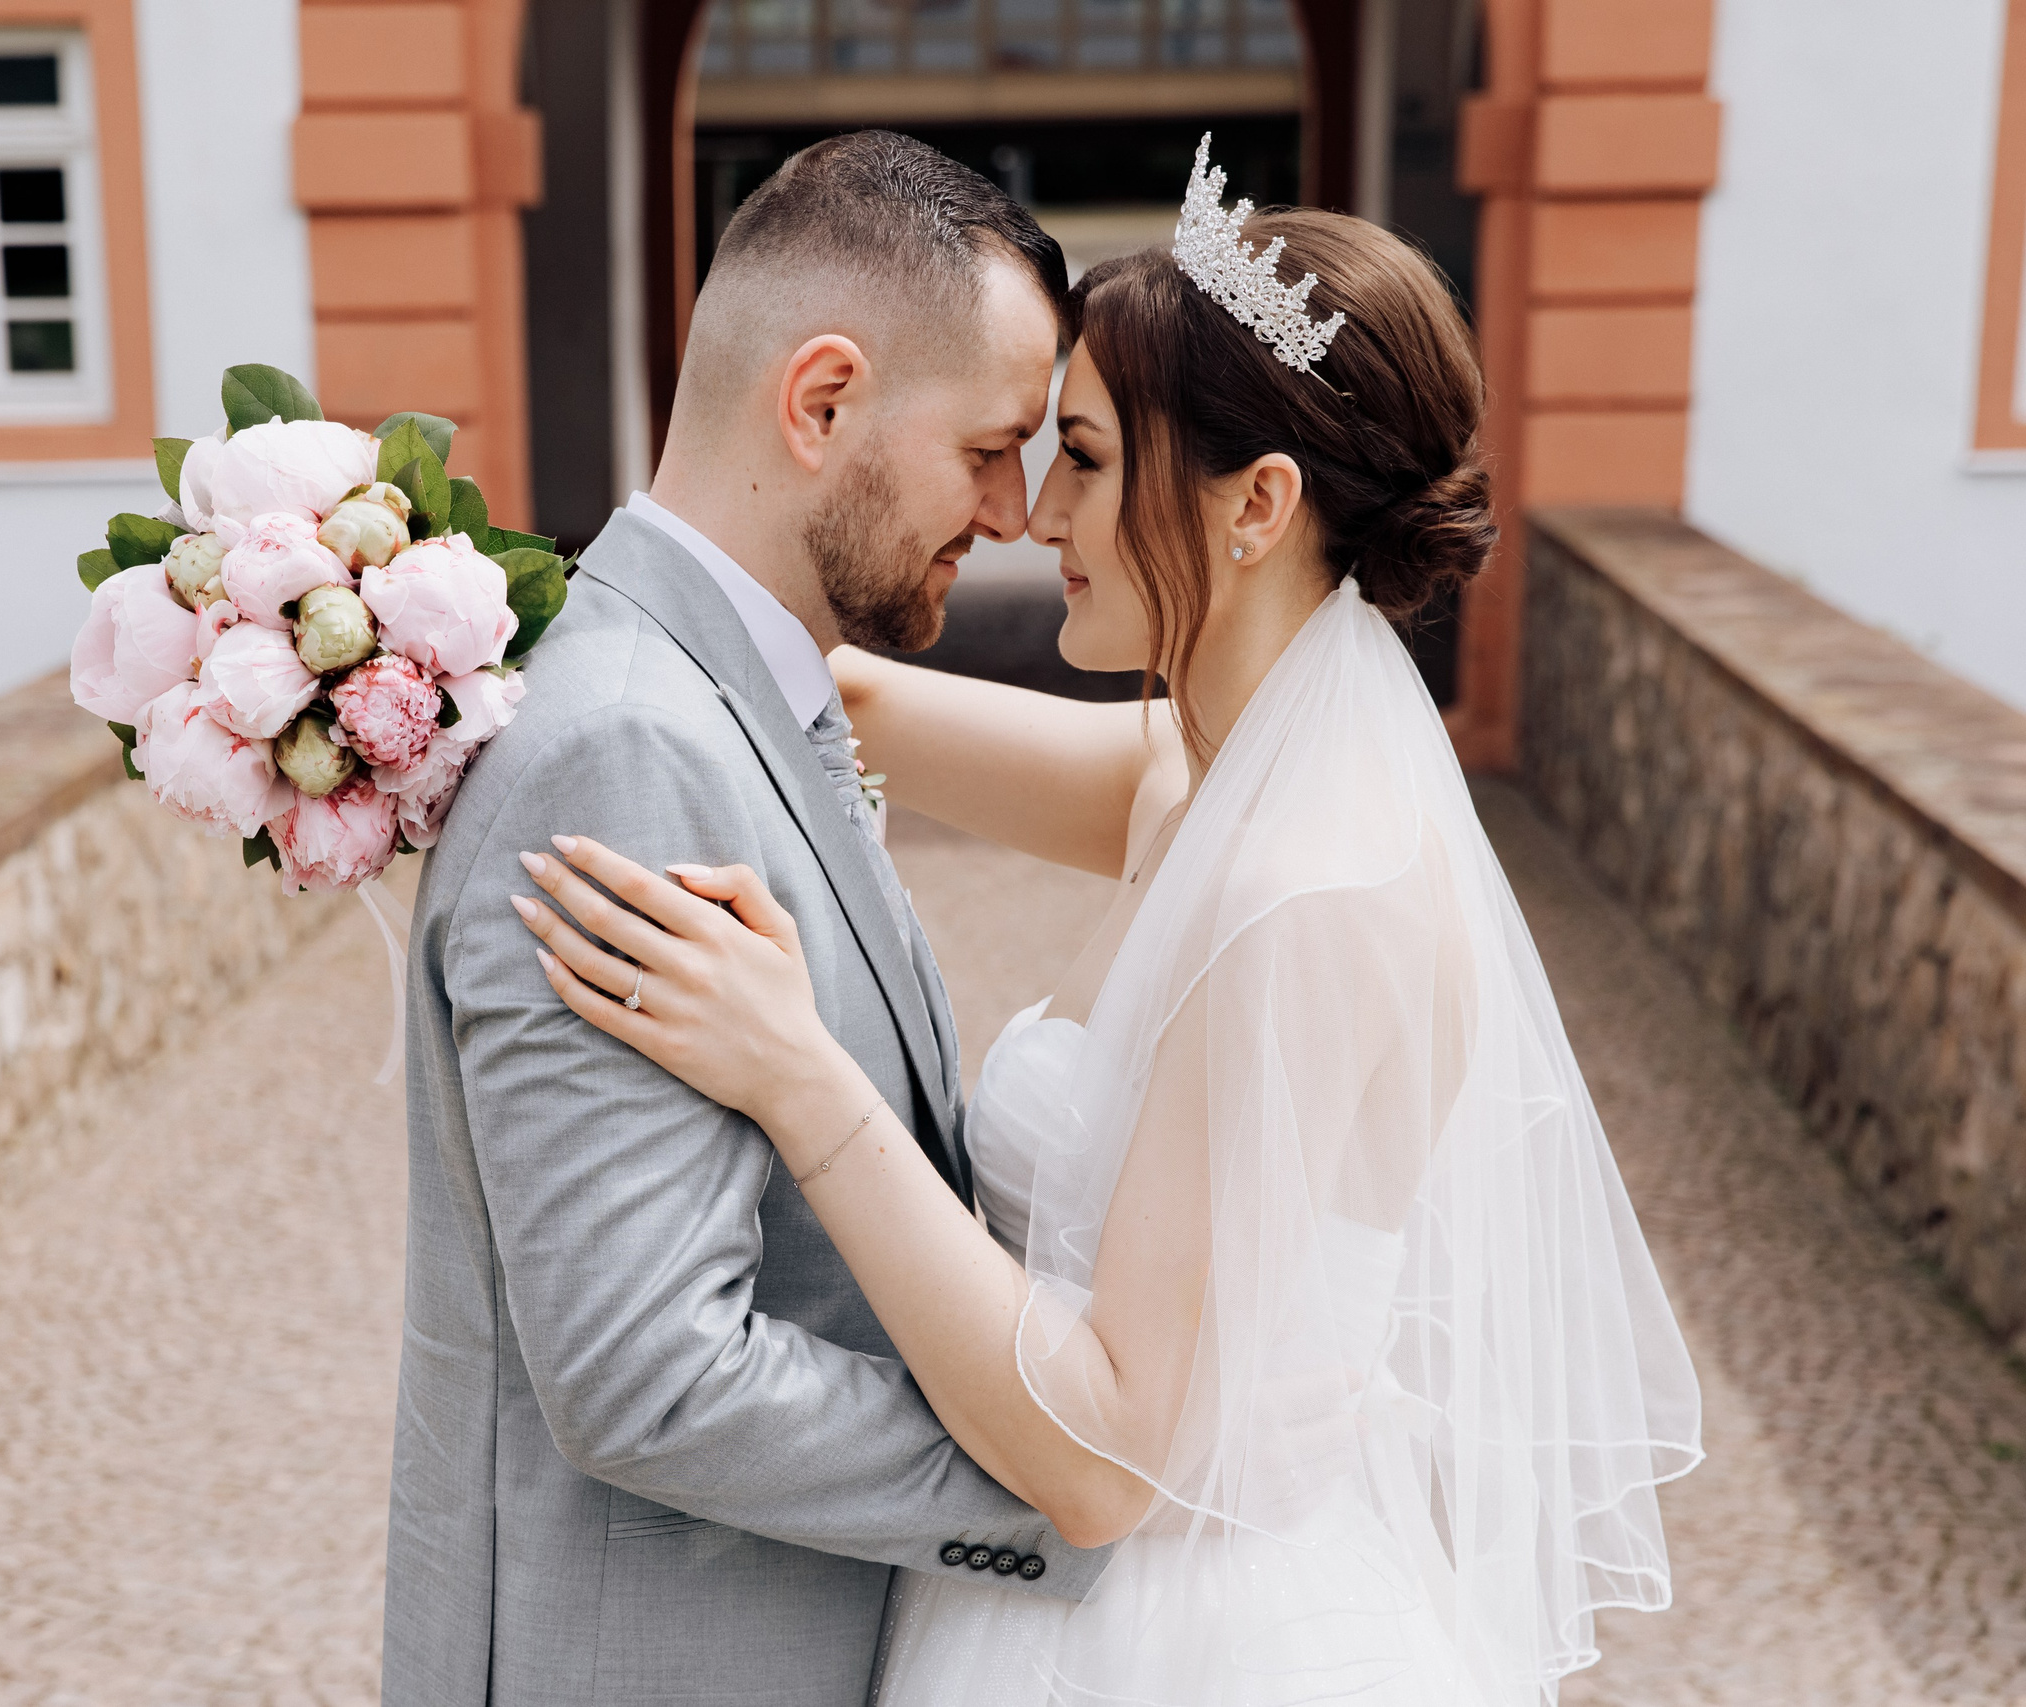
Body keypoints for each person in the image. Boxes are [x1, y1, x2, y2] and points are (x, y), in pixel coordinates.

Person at [509, 140, 1705, 1705]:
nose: (1025, 514)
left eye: (1079, 456)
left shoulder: (1305, 899)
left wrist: (799, 1078)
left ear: (1258, 504)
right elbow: (804, 680)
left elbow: (1112, 1455)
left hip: (1199, 1634)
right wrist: (406, 640)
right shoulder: (1191, 782)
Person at [381, 132, 1116, 1706]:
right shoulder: (629, 748)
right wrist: (1067, 1475)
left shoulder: (734, 696)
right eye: (991, 444)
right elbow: (652, 1374)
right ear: (825, 400)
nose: (1011, 505)